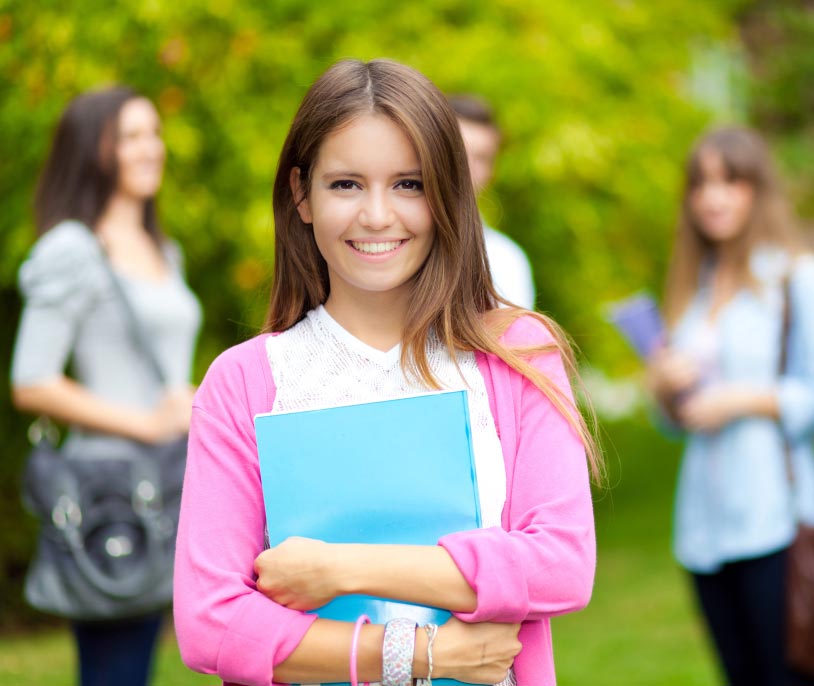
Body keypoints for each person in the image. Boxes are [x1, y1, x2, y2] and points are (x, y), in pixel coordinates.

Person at [173, 58, 597, 686]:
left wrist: (340, 569)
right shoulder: (244, 381)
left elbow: (561, 563)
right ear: (301, 195)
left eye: (408, 184)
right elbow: (210, 621)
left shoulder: (515, 354)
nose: (377, 215)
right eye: (346, 184)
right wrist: (417, 654)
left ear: (447, 194)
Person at [10, 87, 201, 686]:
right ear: (93, 150)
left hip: (174, 481)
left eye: (154, 133)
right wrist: (147, 421)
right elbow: (31, 380)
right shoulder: (72, 249)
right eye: (131, 137)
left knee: (144, 660)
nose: (151, 149)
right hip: (111, 493)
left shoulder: (162, 248)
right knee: (115, 669)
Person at [647, 127, 814, 686]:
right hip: (704, 524)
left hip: (775, 519)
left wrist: (741, 400)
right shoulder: (695, 285)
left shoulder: (799, 279)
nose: (713, 197)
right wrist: (666, 392)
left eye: (730, 181)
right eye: (701, 184)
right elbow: (674, 423)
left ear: (759, 189)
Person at [449, 94, 536, 309]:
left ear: (492, 171)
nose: (467, 168)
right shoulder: (386, 237)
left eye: (481, 157)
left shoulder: (505, 259)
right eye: (457, 152)